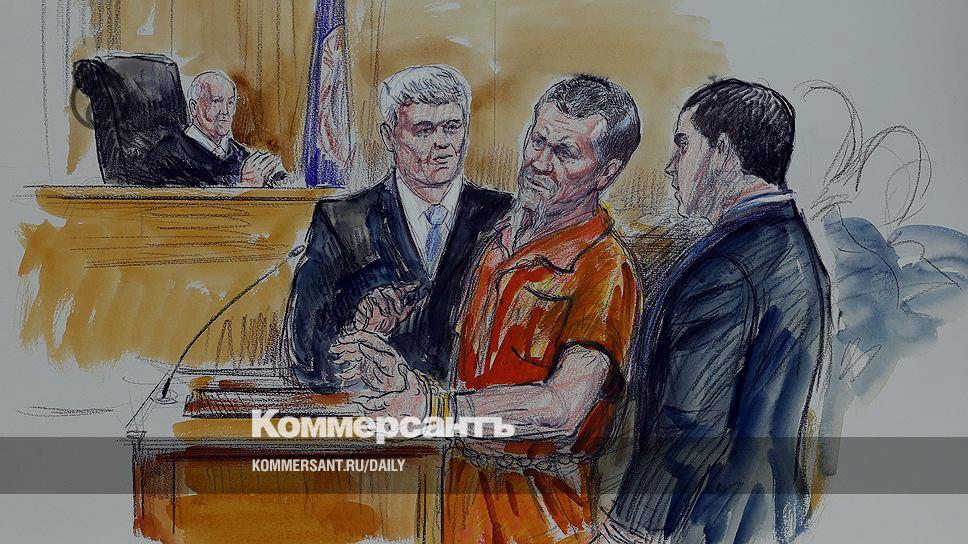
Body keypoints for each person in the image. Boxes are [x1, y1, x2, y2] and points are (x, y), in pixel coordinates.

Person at [337, 75, 642, 543]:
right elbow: (466, 375)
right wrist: (399, 374)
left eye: (565, 153)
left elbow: (563, 409)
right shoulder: (497, 240)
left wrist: (433, 408)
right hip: (459, 501)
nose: (540, 163)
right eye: (537, 141)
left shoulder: (604, 266)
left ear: (606, 172)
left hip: (542, 516)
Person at [602, 79, 831, 544]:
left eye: (683, 145)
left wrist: (629, 529)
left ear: (723, 152)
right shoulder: (795, 249)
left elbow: (688, 419)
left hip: (703, 521)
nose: (671, 165)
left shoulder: (728, 267)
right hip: (766, 517)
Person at [287, 64, 512, 390]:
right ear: (389, 136)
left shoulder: (503, 215)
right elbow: (305, 353)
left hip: (474, 410)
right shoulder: (341, 222)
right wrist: (357, 329)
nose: (442, 143)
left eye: (452, 127)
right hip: (373, 411)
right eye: (424, 130)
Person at [144, 70, 284, 187]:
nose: (225, 111)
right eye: (216, 101)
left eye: (230, 103)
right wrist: (244, 186)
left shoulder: (241, 155)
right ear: (194, 107)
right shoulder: (165, 157)